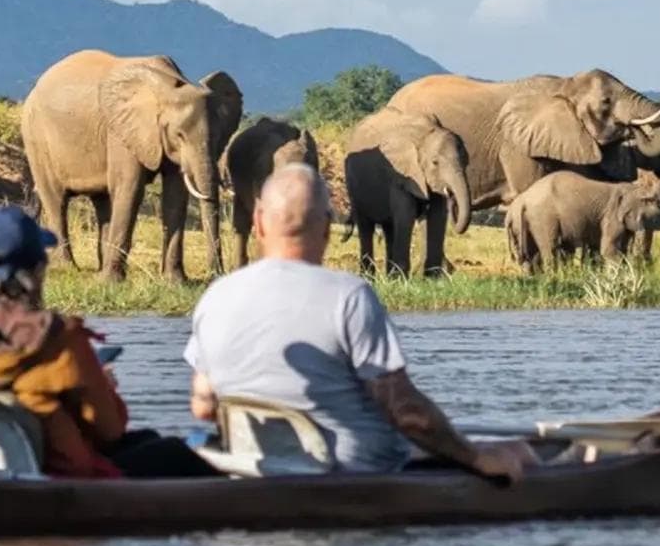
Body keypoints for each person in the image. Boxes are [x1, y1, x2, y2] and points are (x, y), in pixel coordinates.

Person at [184, 163, 527, 482]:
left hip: (253, 465)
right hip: (356, 469)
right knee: (518, 450)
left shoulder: (215, 297)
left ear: (258, 222)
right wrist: (477, 459)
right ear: (326, 227)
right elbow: (407, 413)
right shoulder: (348, 296)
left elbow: (203, 407)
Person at [0, 204, 217, 479]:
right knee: (176, 452)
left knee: (148, 439)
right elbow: (110, 431)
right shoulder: (62, 342)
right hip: (64, 478)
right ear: (37, 271)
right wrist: (103, 386)